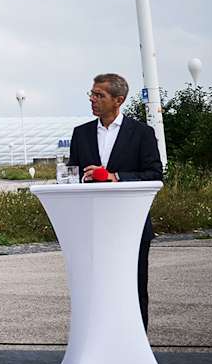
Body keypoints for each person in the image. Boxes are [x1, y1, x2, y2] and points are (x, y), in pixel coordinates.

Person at [69, 72, 164, 329]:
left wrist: (115, 177)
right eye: (92, 93)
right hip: (92, 226)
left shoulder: (142, 133)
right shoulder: (81, 134)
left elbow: (154, 174)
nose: (92, 99)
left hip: (130, 226)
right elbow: (72, 174)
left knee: (133, 288)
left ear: (118, 100)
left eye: (99, 95)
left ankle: (136, 345)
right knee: (94, 290)